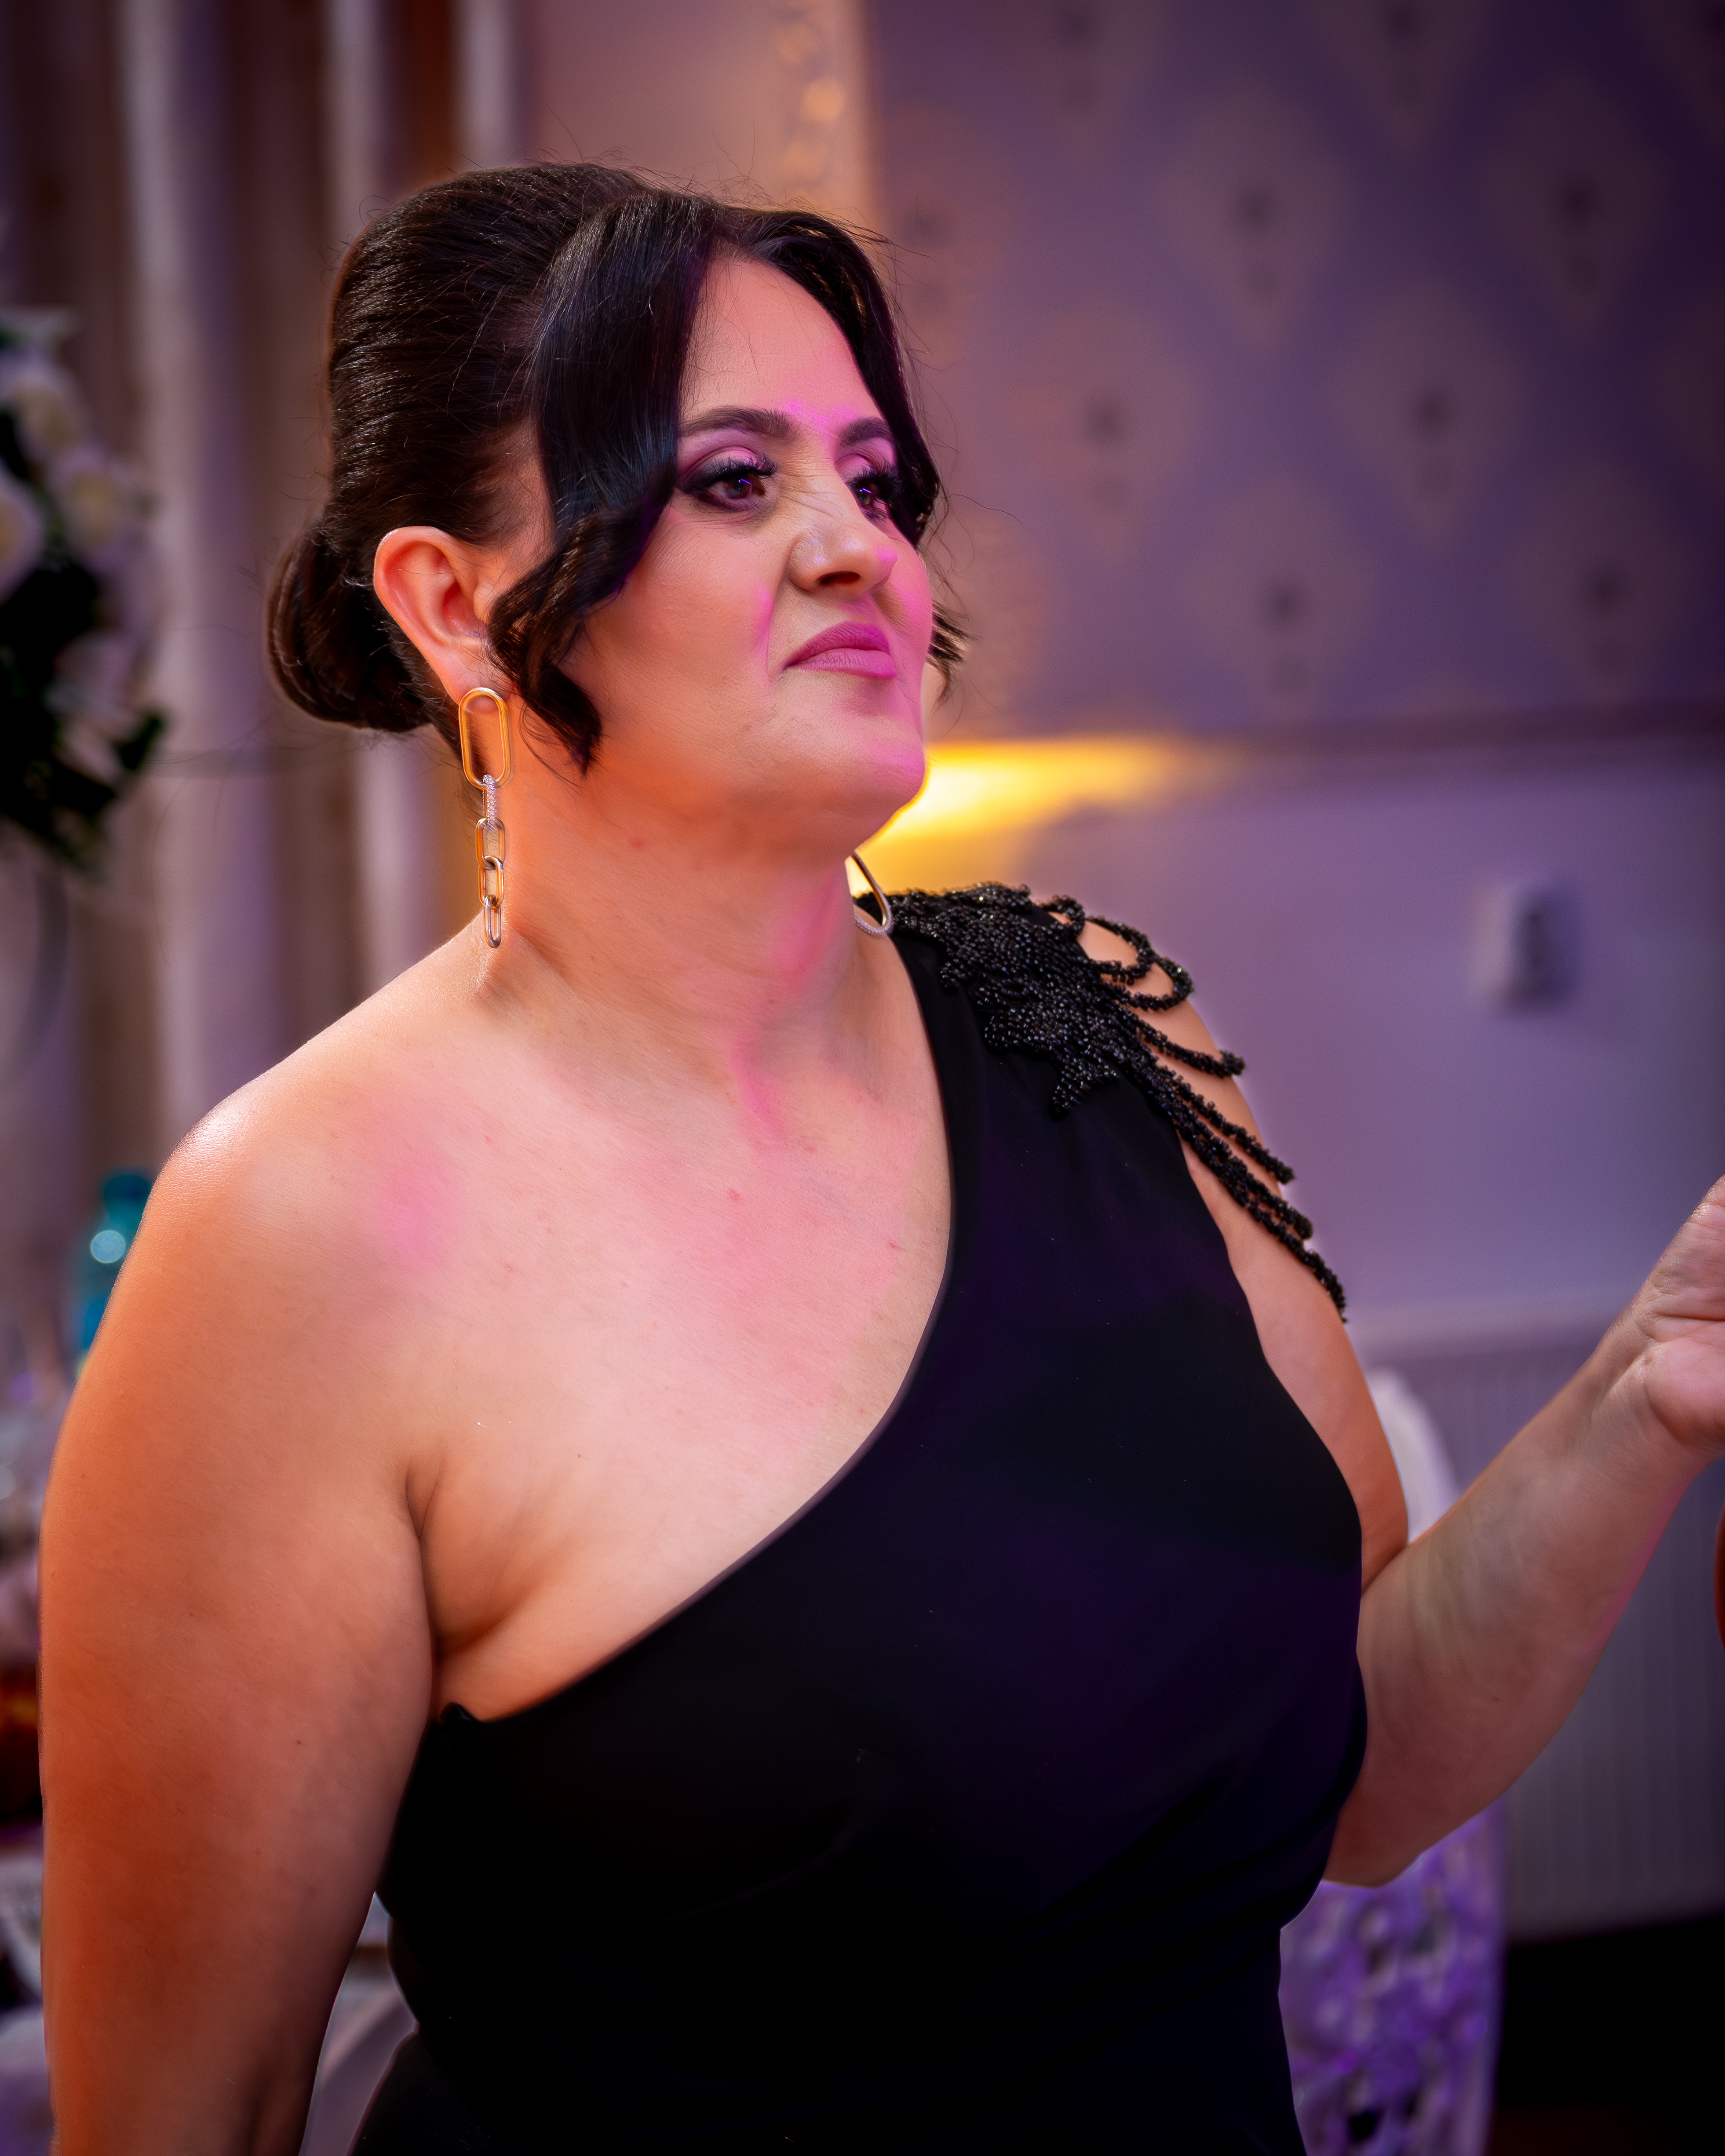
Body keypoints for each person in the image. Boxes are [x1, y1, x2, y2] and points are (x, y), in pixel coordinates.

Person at [37, 166, 1725, 2155]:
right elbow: (181, 2118)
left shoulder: (1095, 1026)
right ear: (451, 601)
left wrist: (1649, 1381)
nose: (859, 549)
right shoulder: (296, 1235)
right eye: (732, 480)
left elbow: (1362, 1756)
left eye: (873, 478)